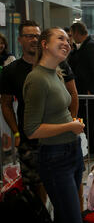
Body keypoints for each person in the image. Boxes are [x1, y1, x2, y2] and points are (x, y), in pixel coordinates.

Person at [23, 27, 88, 223]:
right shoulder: (36, 79)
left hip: (71, 153)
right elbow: (32, 129)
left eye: (67, 39)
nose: (66, 43)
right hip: (55, 159)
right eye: (59, 39)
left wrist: (70, 125)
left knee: (66, 220)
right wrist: (68, 127)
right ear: (44, 44)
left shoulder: (56, 73)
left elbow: (57, 112)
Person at [0, 21, 79, 202]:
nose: (33, 39)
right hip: (31, 139)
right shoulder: (11, 71)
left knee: (69, 187)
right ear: (20, 40)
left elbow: (73, 94)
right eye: (29, 36)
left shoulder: (60, 66)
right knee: (37, 186)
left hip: (60, 138)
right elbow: (5, 103)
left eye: (36, 35)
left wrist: (71, 123)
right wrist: (16, 132)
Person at [69, 21, 94, 154]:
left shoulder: (91, 46)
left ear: (77, 33)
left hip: (89, 95)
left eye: (72, 35)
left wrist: (92, 90)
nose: (72, 38)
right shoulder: (84, 47)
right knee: (86, 122)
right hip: (84, 94)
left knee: (92, 124)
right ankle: (93, 149)